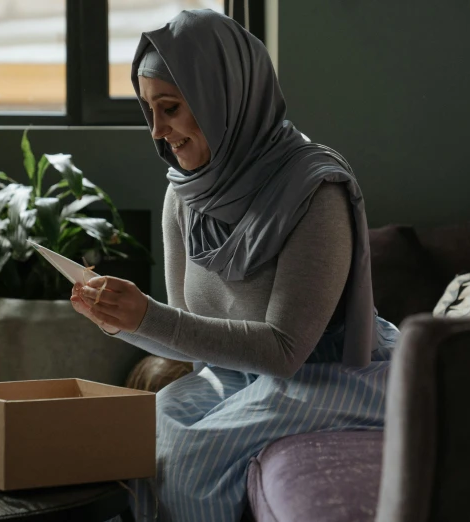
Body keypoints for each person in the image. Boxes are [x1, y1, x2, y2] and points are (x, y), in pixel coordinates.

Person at [70, 9, 398, 522]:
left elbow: (285, 350)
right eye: (147, 109)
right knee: (151, 427)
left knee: (192, 455)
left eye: (171, 108)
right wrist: (120, 321)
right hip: (243, 373)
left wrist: (147, 316)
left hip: (330, 373)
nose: (157, 131)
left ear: (222, 98)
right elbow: (193, 339)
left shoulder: (316, 189)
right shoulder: (183, 192)